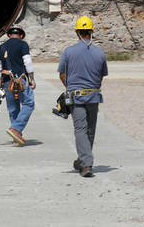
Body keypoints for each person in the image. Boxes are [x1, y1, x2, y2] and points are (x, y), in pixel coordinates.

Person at [57, 15, 108, 178]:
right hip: (93, 96)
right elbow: (101, 76)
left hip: (76, 97)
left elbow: (63, 75)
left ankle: (86, 163)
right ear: (91, 32)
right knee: (90, 130)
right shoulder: (100, 53)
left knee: (80, 129)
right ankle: (83, 160)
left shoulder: (68, 52)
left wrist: (70, 88)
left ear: (77, 32)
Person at [0, 25, 36, 146]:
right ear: (21, 35)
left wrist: (0, 79)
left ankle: (16, 138)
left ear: (9, 35)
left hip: (7, 81)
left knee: (13, 108)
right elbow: (27, 62)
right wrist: (32, 79)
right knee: (29, 104)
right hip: (20, 80)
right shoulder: (23, 45)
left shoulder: (1, 47)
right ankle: (16, 129)